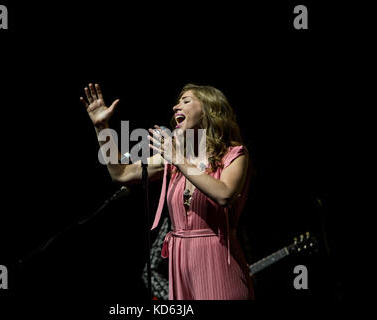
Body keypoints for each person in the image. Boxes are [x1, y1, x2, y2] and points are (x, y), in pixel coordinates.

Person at [80, 83, 254, 300]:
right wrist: (102, 128)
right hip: (180, 261)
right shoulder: (175, 158)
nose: (175, 107)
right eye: (178, 101)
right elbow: (121, 173)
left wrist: (178, 158)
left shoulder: (233, 154)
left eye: (186, 100)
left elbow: (225, 194)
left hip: (217, 256)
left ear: (210, 109)